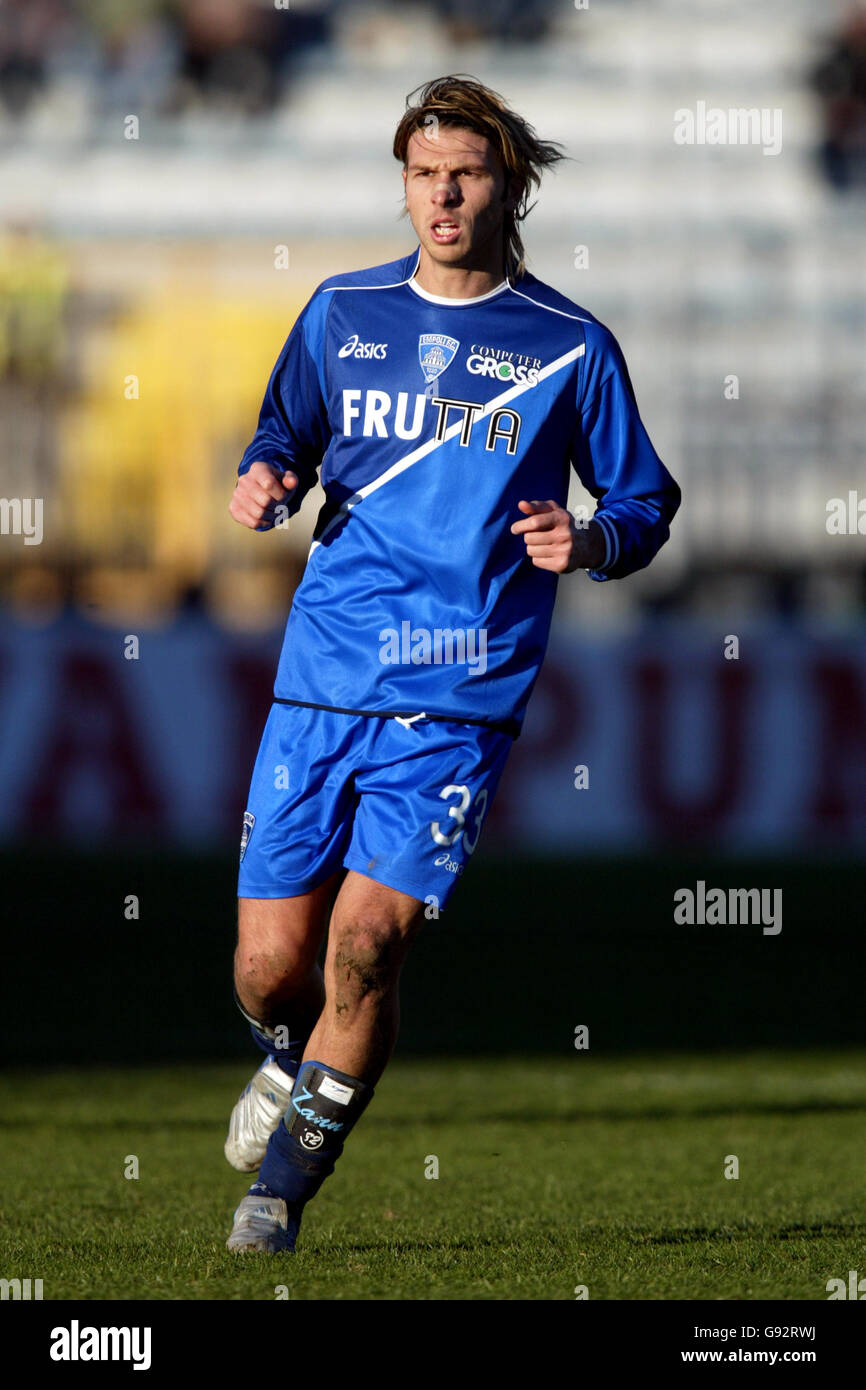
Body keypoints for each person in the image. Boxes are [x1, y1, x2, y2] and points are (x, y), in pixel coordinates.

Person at [224, 74, 680, 1252]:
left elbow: (643, 497)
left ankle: (275, 1197)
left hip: (455, 695)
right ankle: (284, 1055)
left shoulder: (566, 345)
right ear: (404, 184)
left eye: (464, 173)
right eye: (423, 173)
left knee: (363, 948)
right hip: (324, 675)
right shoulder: (341, 311)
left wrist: (589, 539)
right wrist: (268, 474)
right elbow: (286, 429)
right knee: (273, 968)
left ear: (505, 184)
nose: (441, 193)